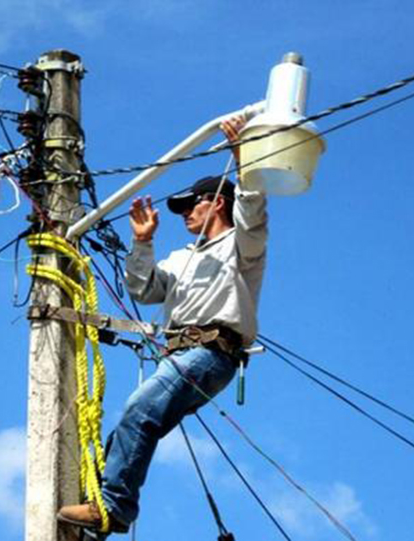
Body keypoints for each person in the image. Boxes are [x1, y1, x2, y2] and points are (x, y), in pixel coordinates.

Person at [58, 116, 267, 533]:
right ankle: (102, 500)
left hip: (212, 353)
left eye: (193, 205)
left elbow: (253, 214)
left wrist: (243, 162)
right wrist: (143, 241)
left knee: (139, 411)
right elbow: (144, 289)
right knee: (135, 421)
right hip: (182, 355)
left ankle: (114, 507)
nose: (186, 213)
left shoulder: (242, 248)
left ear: (217, 203)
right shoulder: (181, 257)